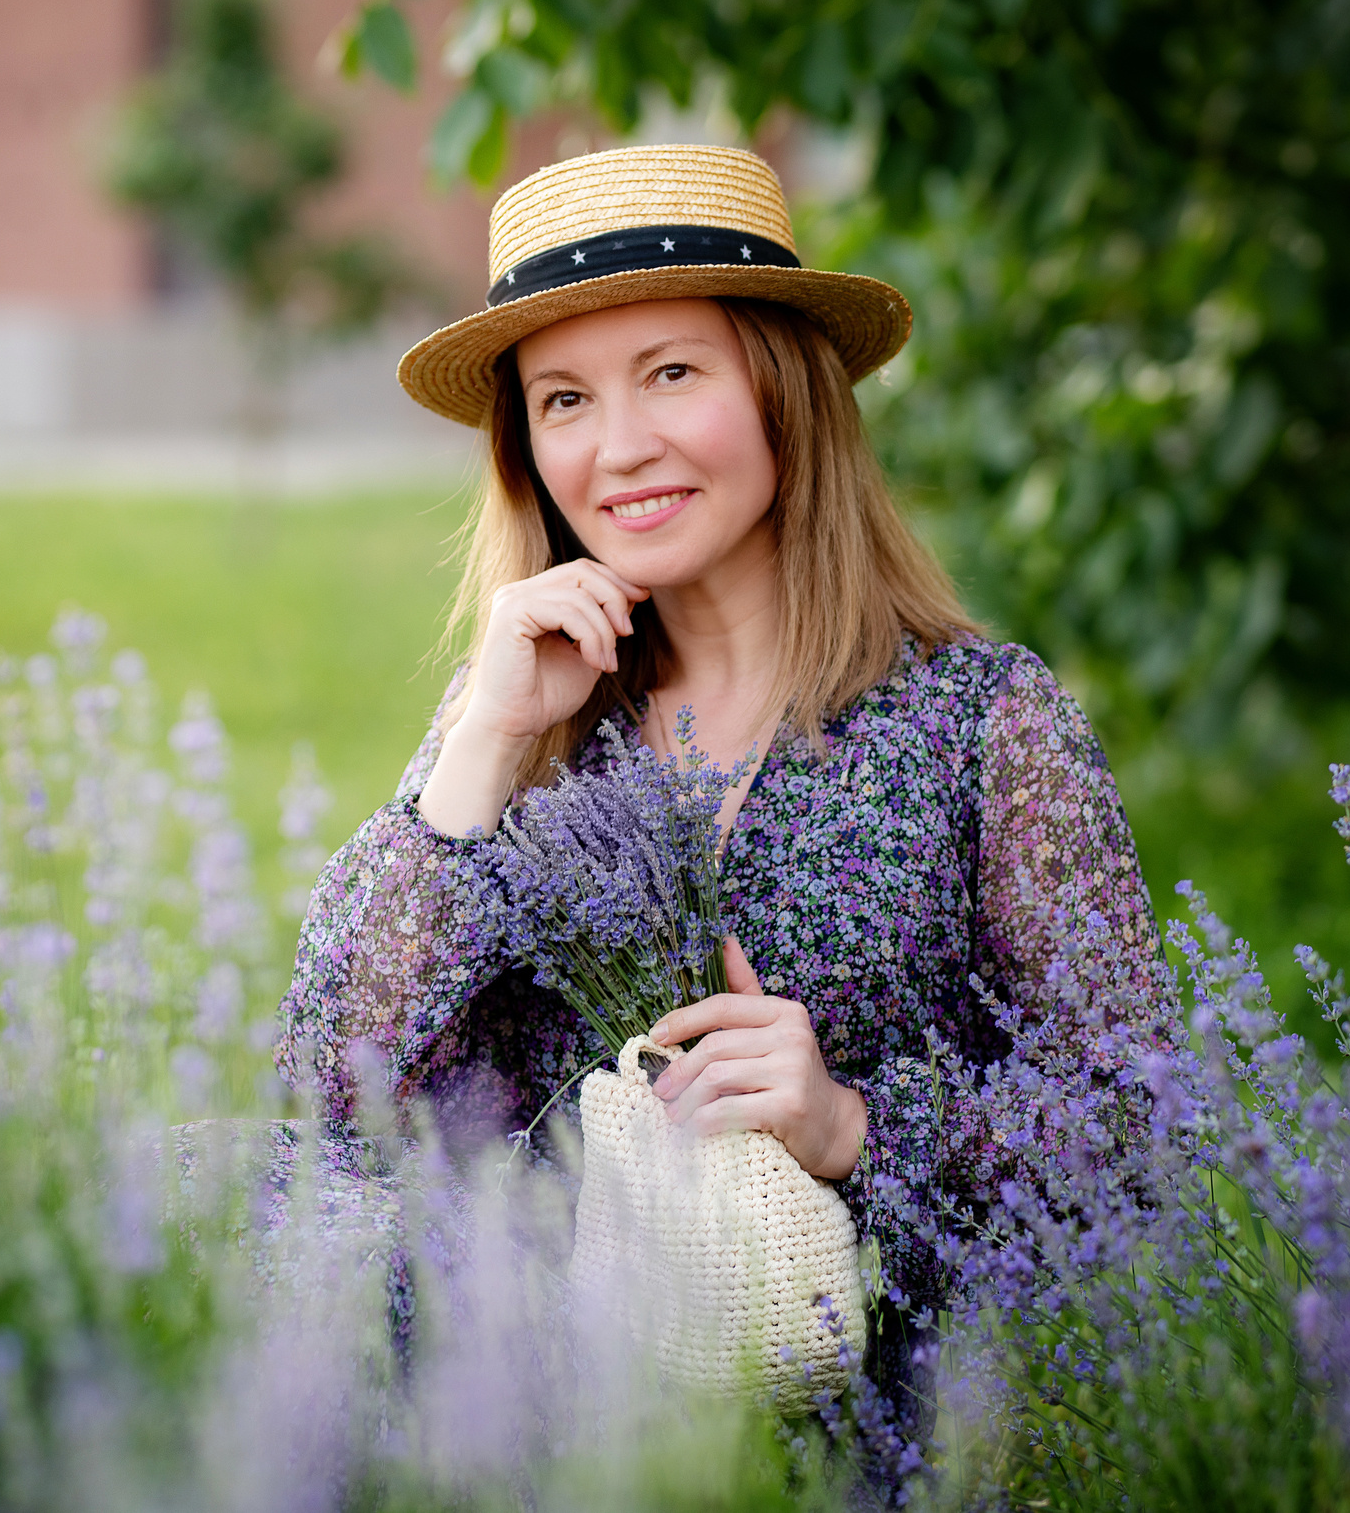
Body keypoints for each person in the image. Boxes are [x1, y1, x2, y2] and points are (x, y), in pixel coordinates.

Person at [273, 143, 1171, 1412]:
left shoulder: (979, 722)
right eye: (564, 400)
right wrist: (482, 742)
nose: (618, 448)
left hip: (895, 1435)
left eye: (672, 373)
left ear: (780, 391)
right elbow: (331, 1097)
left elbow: (1137, 1131)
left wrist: (853, 1127)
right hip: (555, 1439)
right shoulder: (524, 721)